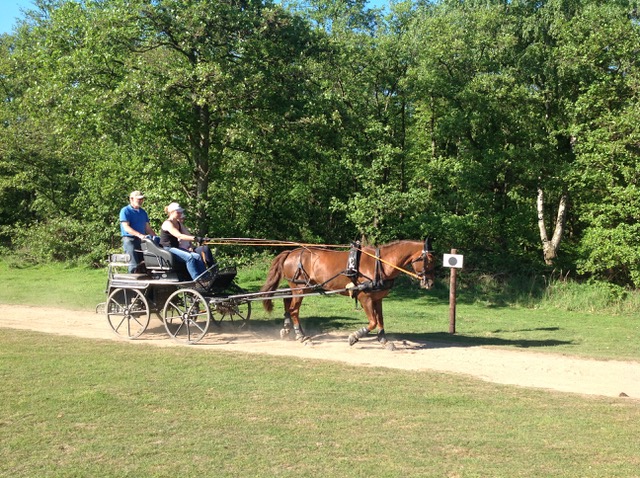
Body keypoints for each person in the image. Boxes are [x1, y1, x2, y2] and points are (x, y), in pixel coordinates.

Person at [159, 202, 207, 281]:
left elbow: (187, 234)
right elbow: (179, 235)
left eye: (180, 212)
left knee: (197, 256)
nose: (180, 213)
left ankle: (205, 278)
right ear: (172, 212)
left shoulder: (178, 223)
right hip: (167, 248)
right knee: (189, 257)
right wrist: (196, 239)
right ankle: (197, 280)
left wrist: (200, 239)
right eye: (178, 212)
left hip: (175, 247)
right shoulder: (167, 223)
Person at [119, 190, 155, 273]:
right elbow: (126, 227)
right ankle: (133, 282)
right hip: (129, 240)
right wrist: (139, 235)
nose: (141, 201)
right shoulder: (125, 211)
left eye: (142, 199)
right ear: (131, 199)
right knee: (133, 263)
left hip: (142, 240)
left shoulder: (143, 212)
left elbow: (147, 228)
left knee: (145, 262)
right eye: (138, 199)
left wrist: (155, 237)